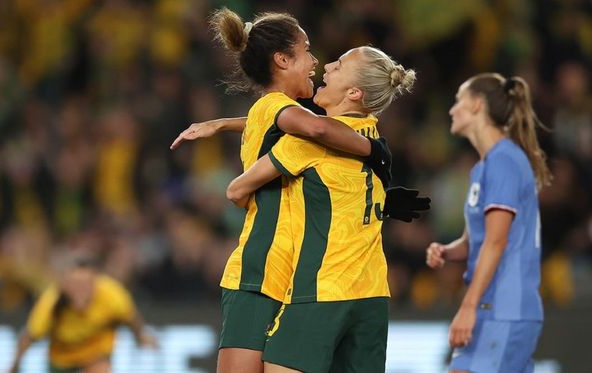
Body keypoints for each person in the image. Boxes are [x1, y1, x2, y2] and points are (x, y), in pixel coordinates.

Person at [170, 8, 400, 373]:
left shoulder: (289, 120)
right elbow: (318, 129)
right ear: (281, 59)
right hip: (262, 268)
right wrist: (376, 151)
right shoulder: (299, 125)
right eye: (307, 50)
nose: (317, 62)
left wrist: (222, 123)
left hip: (297, 273)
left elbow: (302, 125)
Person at [226, 46, 429, 373]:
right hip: (374, 296)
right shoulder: (376, 140)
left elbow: (236, 189)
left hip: (320, 289)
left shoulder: (306, 142)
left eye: (339, 65)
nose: (328, 65)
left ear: (353, 92)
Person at [425, 73, 552, 373]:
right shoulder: (484, 167)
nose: (451, 109)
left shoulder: (504, 161)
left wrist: (467, 307)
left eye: (458, 101)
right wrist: (447, 251)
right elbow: (475, 242)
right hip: (493, 307)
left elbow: (497, 241)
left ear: (477, 105)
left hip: (504, 307)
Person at [8, 255, 156, 373]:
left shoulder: (111, 294)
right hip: (62, 359)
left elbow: (130, 318)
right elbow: (29, 337)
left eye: (85, 285)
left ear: (95, 282)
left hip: (96, 352)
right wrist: (14, 367)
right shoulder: (50, 305)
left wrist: (140, 337)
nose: (80, 292)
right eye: (75, 285)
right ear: (65, 286)